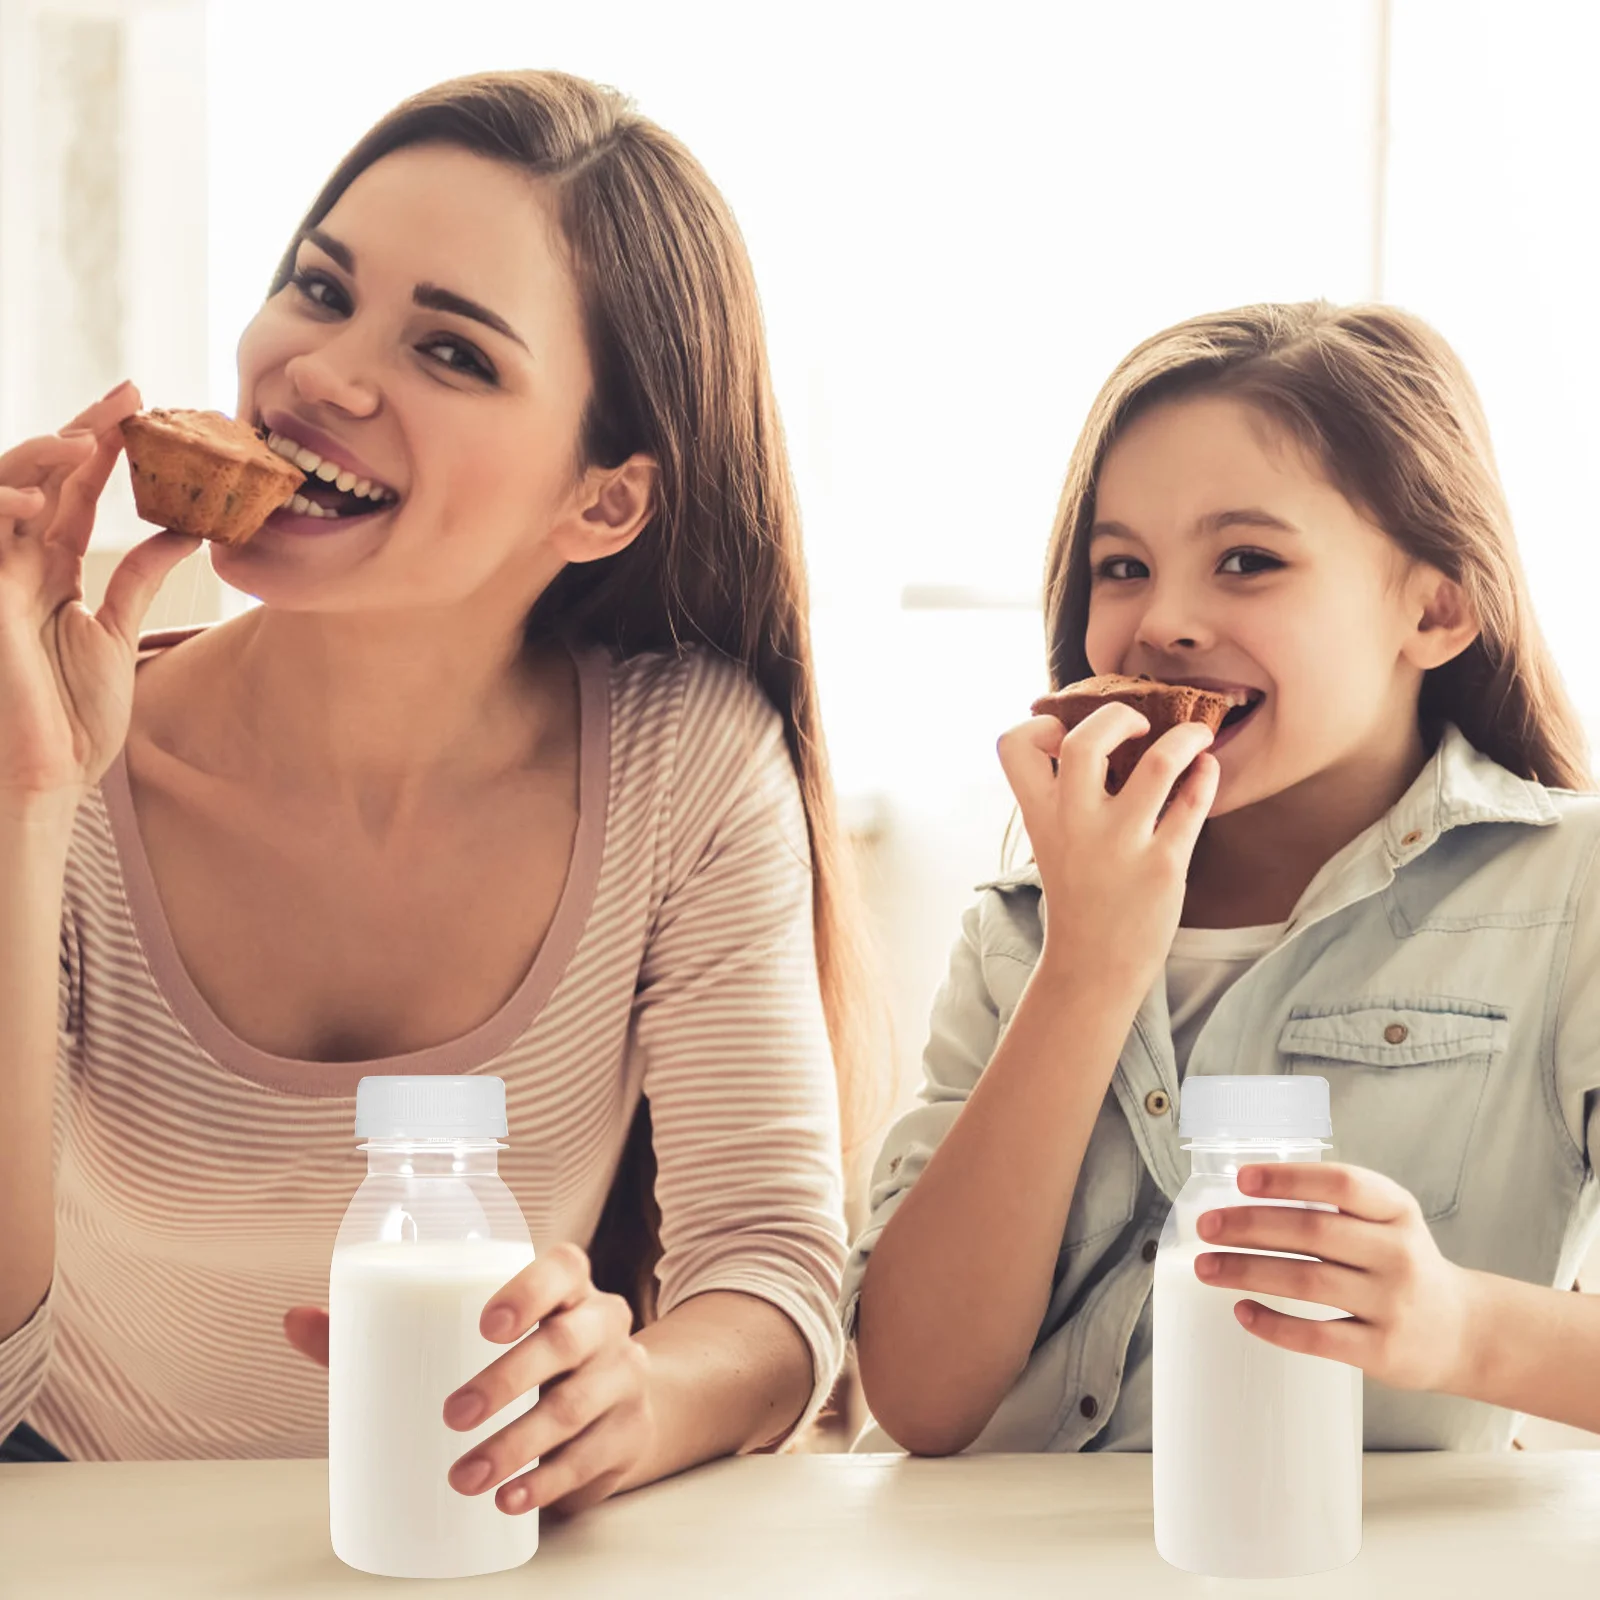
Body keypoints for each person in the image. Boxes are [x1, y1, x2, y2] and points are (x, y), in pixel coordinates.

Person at [0, 70, 878, 1517]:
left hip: (488, 1543)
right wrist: (26, 807)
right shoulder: (50, 706)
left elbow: (773, 1283)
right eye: (318, 288)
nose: (324, 376)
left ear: (600, 503)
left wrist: (628, 1399)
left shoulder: (685, 765)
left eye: (454, 355)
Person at [844, 301, 1600, 1455]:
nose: (1165, 622)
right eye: (1122, 566)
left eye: (1247, 560)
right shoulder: (1019, 929)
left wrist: (1460, 1326)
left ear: (1436, 606)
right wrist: (1087, 964)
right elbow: (919, 1396)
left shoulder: (1568, 894)